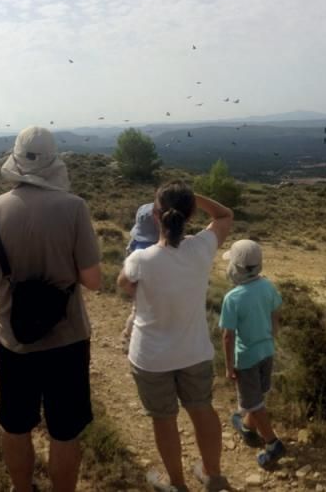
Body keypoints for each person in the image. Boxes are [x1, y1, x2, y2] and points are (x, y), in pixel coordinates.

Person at [0, 126, 102, 492]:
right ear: (53, 162)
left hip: (13, 341)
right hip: (68, 339)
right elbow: (92, 280)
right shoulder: (74, 208)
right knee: (65, 430)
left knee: (15, 424)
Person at [118, 182, 234, 492]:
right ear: (191, 214)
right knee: (202, 410)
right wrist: (193, 197)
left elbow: (124, 285)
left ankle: (178, 484)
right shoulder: (201, 247)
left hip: (151, 356)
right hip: (194, 351)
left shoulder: (140, 260)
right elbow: (224, 215)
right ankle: (213, 475)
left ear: (156, 215)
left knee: (164, 419)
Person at [218, 239, 286, 469]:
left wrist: (229, 367)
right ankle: (248, 428)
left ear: (236, 267)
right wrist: (271, 336)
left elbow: (228, 336)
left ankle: (272, 443)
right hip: (267, 351)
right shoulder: (268, 286)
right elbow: (275, 314)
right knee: (257, 394)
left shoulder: (233, 298)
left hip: (246, 358)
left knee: (253, 402)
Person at [119, 202, 160, 352]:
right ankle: (128, 337)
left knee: (137, 313)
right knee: (138, 313)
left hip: (141, 287)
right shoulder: (151, 249)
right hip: (145, 288)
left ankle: (129, 337)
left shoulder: (135, 243)